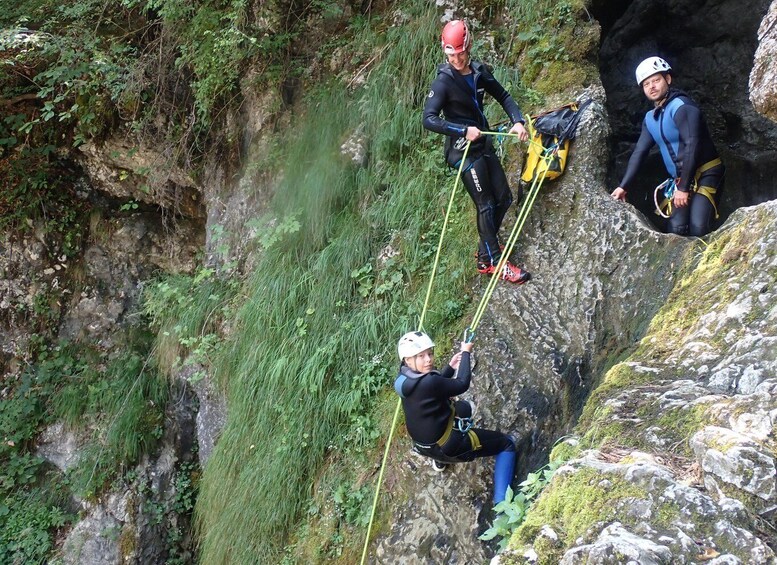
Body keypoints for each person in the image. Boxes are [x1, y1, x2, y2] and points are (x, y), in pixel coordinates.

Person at [423, 19, 531, 284]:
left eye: (460, 52)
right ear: (444, 52)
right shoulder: (443, 83)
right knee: (485, 203)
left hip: (482, 144)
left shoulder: (479, 72)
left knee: (504, 198)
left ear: (468, 45)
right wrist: (462, 130)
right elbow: (428, 119)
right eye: (451, 54)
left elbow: (504, 96)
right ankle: (495, 262)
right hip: (463, 152)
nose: (457, 59)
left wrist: (518, 121)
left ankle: (485, 252)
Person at [394, 330, 517, 504]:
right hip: (448, 445)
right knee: (506, 444)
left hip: (424, 445)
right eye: (421, 356)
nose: (428, 359)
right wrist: (466, 352)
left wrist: (450, 367)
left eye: (430, 353)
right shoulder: (428, 382)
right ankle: (502, 506)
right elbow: (462, 383)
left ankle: (439, 462)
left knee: (463, 408)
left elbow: (433, 389)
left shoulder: (403, 380)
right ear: (408, 359)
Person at [611, 56, 725, 237]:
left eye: (656, 80)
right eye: (646, 84)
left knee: (698, 227)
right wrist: (624, 186)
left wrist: (684, 188)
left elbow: (692, 144)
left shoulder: (682, 107)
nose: (652, 86)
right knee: (676, 229)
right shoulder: (651, 118)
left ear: (668, 79)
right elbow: (640, 152)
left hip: (706, 173)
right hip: (680, 179)